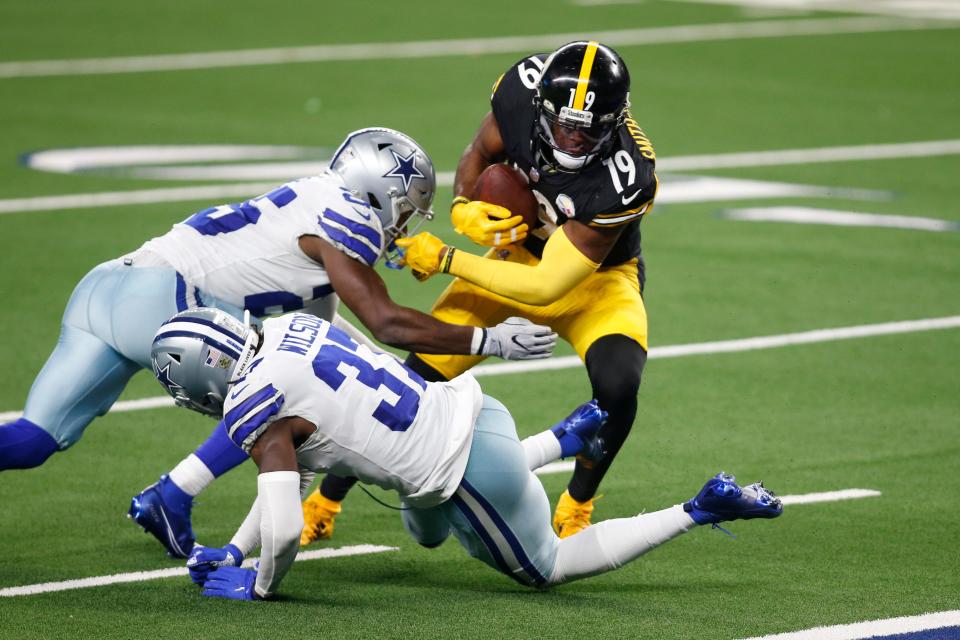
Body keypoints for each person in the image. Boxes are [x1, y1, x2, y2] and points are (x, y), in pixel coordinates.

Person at [0, 127, 557, 558]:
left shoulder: (315, 200)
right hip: (165, 294)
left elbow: (325, 342)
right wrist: (488, 339)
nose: (403, 227)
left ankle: (172, 496)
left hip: (107, 285)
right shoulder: (352, 218)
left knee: (34, 439)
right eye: (405, 210)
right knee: (262, 388)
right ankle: (172, 495)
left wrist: (392, 372)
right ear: (378, 192)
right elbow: (384, 323)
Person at [150, 308, 782, 600]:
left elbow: (285, 526)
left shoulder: (255, 406)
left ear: (205, 377)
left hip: (466, 473)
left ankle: (699, 507)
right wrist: (234, 549)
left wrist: (259, 586)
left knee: (549, 569)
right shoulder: (292, 325)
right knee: (422, 529)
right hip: (475, 411)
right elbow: (288, 477)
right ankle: (563, 439)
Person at [306, 40, 658, 542]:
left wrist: (447, 258)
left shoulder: (629, 177)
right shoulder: (520, 94)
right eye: (563, 125)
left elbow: (546, 286)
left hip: (600, 280)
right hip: (515, 258)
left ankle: (577, 505)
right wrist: (463, 205)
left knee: (619, 389)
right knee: (411, 381)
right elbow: (478, 152)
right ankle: (323, 502)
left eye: (587, 130)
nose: (573, 140)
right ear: (541, 108)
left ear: (615, 122)